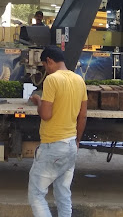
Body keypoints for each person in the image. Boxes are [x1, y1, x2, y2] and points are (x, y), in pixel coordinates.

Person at [28, 47, 87, 217]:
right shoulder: (79, 80)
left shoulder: (52, 80)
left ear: (50, 61)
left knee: (36, 194)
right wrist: (77, 141)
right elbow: (82, 116)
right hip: (70, 144)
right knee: (63, 193)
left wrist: (38, 101)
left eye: (44, 65)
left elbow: (46, 115)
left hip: (53, 145)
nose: (45, 69)